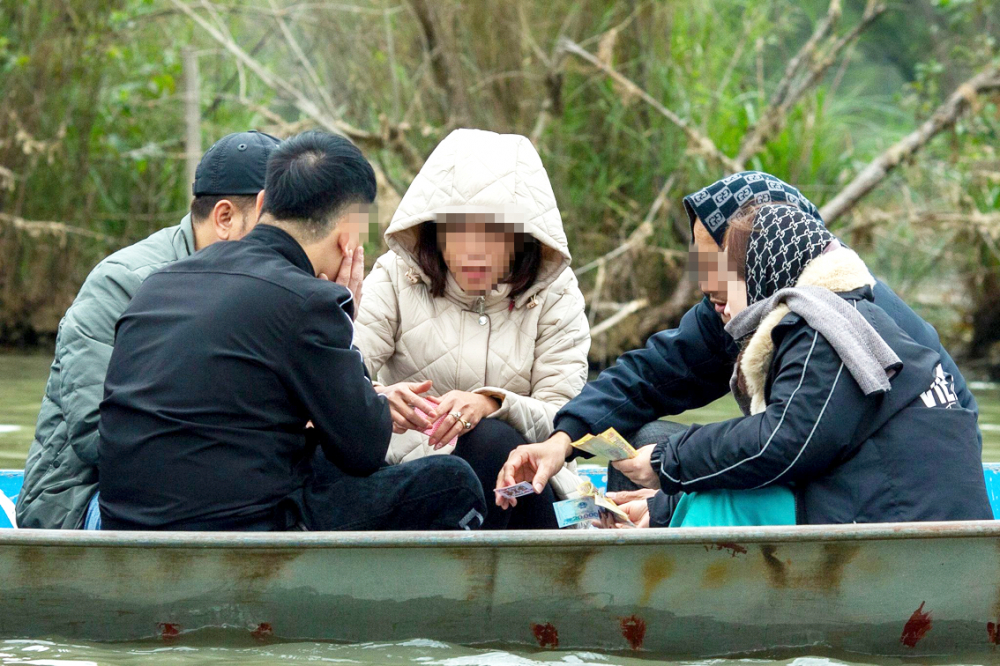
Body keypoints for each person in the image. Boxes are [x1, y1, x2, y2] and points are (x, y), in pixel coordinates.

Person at [496, 172, 983, 525]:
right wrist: (565, 439)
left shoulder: (832, 325)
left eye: (715, 260)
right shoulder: (748, 306)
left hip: (879, 499)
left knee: (673, 460)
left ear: (756, 258)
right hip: (828, 478)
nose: (706, 283)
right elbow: (654, 373)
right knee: (651, 438)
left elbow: (788, 449)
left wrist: (667, 476)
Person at [97, 130, 486, 531]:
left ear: (263, 202)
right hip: (234, 532)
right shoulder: (311, 302)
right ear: (350, 234)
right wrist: (346, 323)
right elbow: (363, 450)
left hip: (123, 523)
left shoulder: (158, 283)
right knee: (452, 483)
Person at [607, 205, 992, 525]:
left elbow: (779, 446)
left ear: (761, 274)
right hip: (899, 506)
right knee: (706, 491)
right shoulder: (855, 317)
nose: (719, 300)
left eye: (731, 275)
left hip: (901, 530)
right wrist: (663, 506)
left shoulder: (822, 332)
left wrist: (666, 459)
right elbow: (803, 455)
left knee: (718, 505)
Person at [17, 130, 281, 530]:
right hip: (83, 499)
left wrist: (336, 320)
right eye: (275, 227)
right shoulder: (121, 284)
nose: (287, 245)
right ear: (225, 218)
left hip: (206, 489)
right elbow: (99, 436)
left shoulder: (269, 289)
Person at [355, 128, 589, 529]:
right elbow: (342, 375)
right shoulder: (394, 277)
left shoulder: (557, 292)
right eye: (458, 229)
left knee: (493, 441)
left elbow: (568, 417)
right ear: (435, 230)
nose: (474, 249)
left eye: (494, 232)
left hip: (523, 481)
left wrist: (493, 403)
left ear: (520, 236)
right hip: (416, 476)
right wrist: (380, 399)